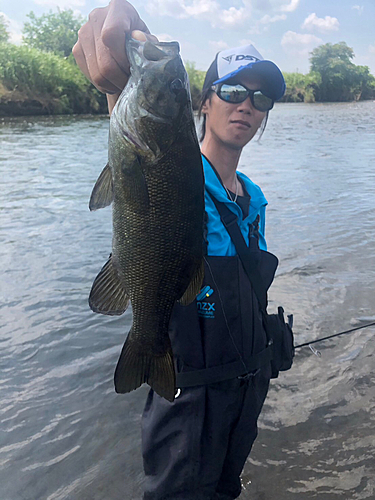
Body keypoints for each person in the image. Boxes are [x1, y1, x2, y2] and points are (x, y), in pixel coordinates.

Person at [74, 2, 286, 498]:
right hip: (188, 396)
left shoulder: (253, 197)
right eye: (232, 91)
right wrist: (123, 23)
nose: (246, 105)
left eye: (260, 98)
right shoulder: (167, 158)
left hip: (245, 389)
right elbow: (133, 112)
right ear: (203, 102)